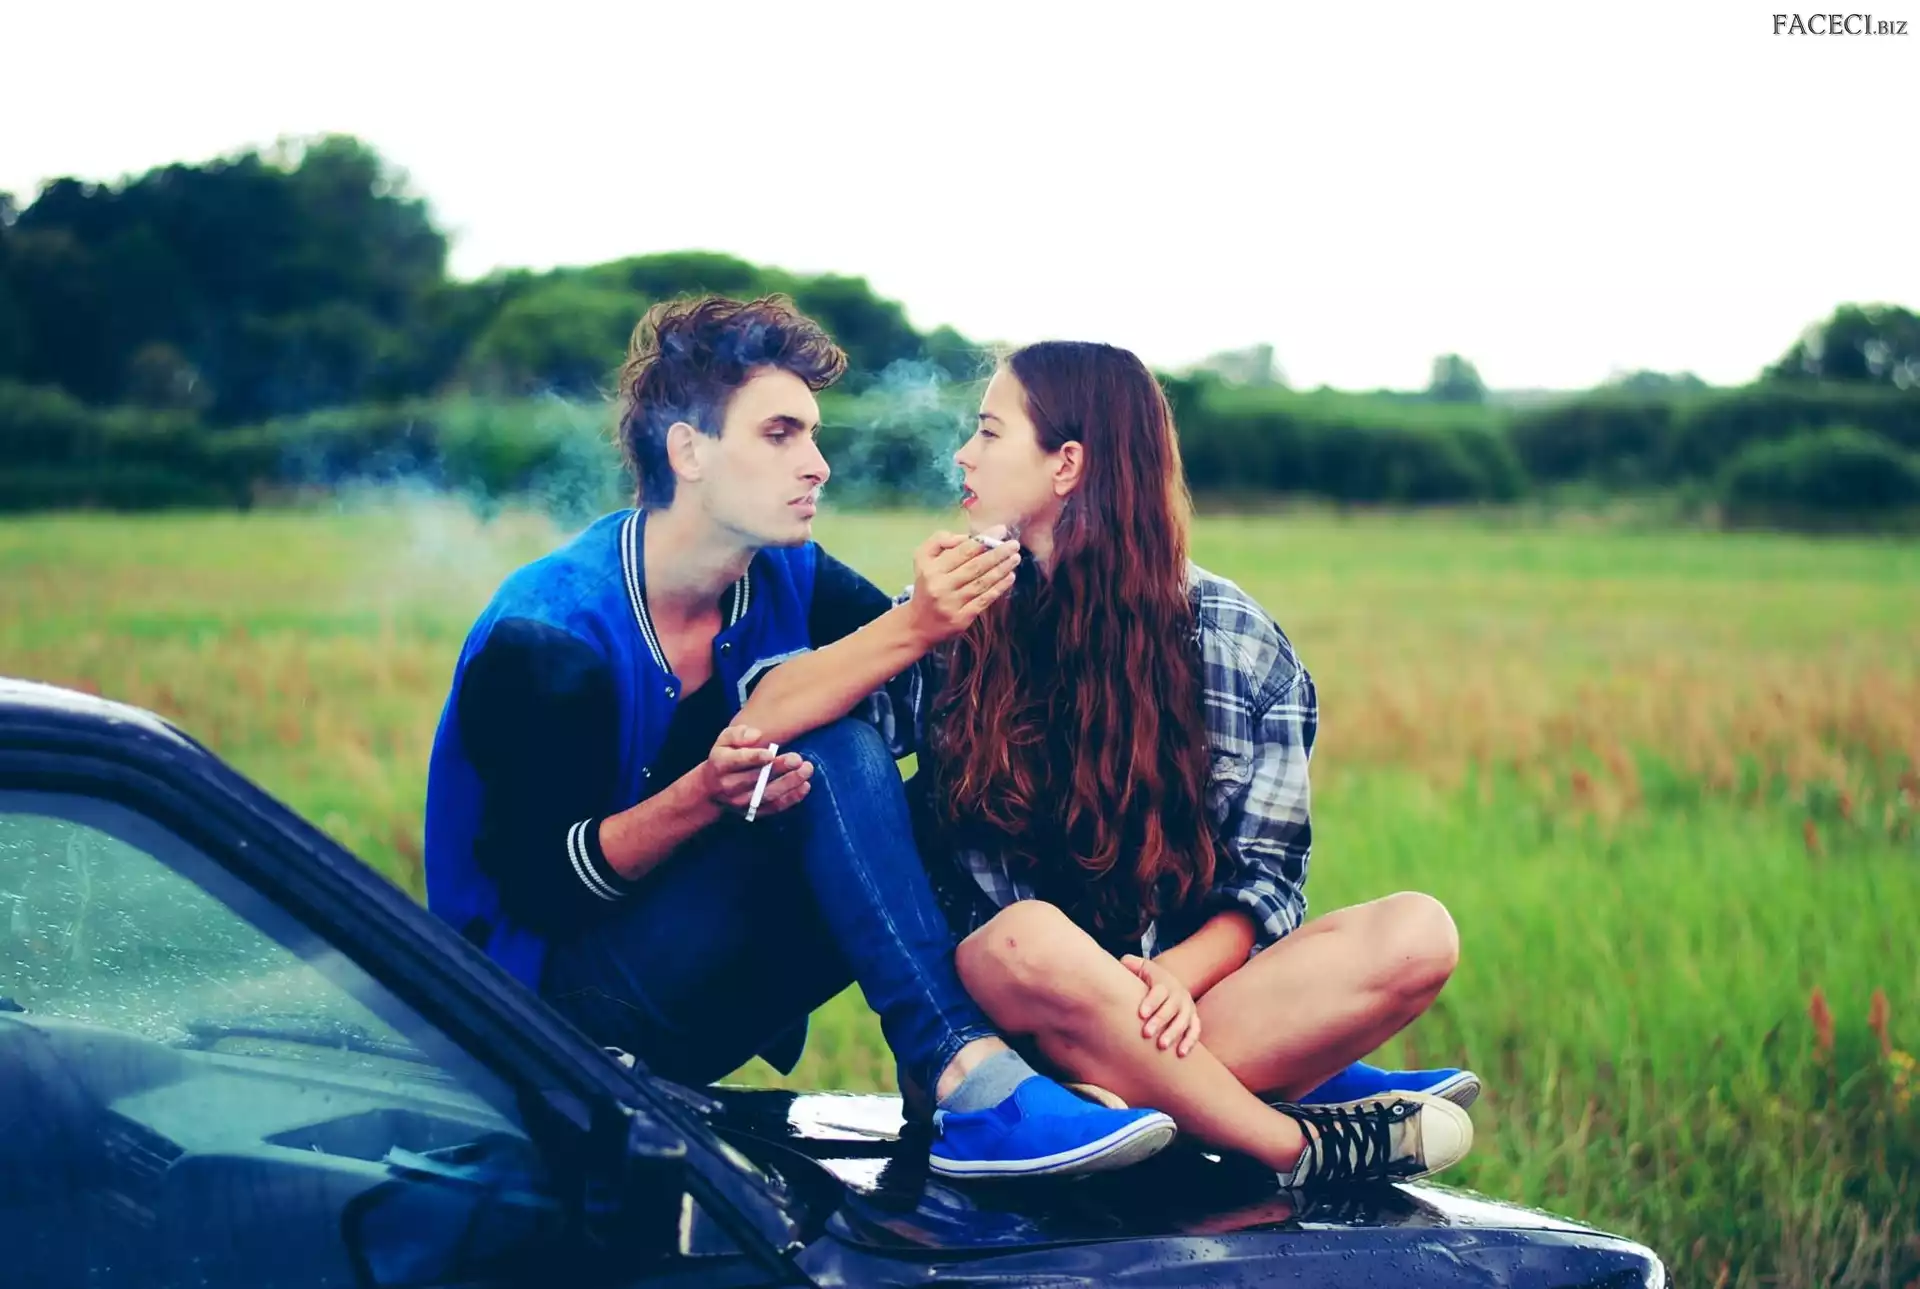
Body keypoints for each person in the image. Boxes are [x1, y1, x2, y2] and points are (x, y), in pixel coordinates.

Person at [424, 297, 1177, 1179]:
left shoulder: (786, 571)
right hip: (550, 1020)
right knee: (836, 752)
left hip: (712, 992)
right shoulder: (550, 635)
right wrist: (702, 796)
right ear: (689, 452)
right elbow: (543, 891)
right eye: (780, 434)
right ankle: (966, 1082)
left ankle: (1067, 1049)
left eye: (813, 435)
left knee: (945, 787)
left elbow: (928, 685)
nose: (818, 464)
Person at [737, 340, 1481, 1188]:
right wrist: (913, 627)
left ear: (1067, 464)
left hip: (1178, 1012)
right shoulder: (960, 608)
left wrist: (1174, 974)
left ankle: (1116, 1106)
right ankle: (1290, 1137)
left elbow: (1266, 883)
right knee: (1025, 938)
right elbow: (770, 724)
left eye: (989, 432)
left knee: (1417, 932)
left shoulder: (1238, 642)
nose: (964, 455)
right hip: (1014, 1017)